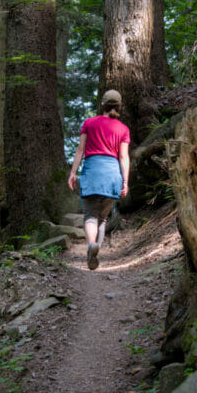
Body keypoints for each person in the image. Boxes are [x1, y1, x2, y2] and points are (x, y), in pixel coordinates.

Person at [67, 89, 130, 270]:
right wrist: (125, 181)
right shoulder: (123, 129)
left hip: (92, 172)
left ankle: (90, 245)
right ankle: (97, 250)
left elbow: (80, 150)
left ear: (102, 104)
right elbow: (123, 157)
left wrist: (73, 173)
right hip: (112, 175)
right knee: (102, 219)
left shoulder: (89, 123)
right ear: (119, 106)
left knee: (90, 215)